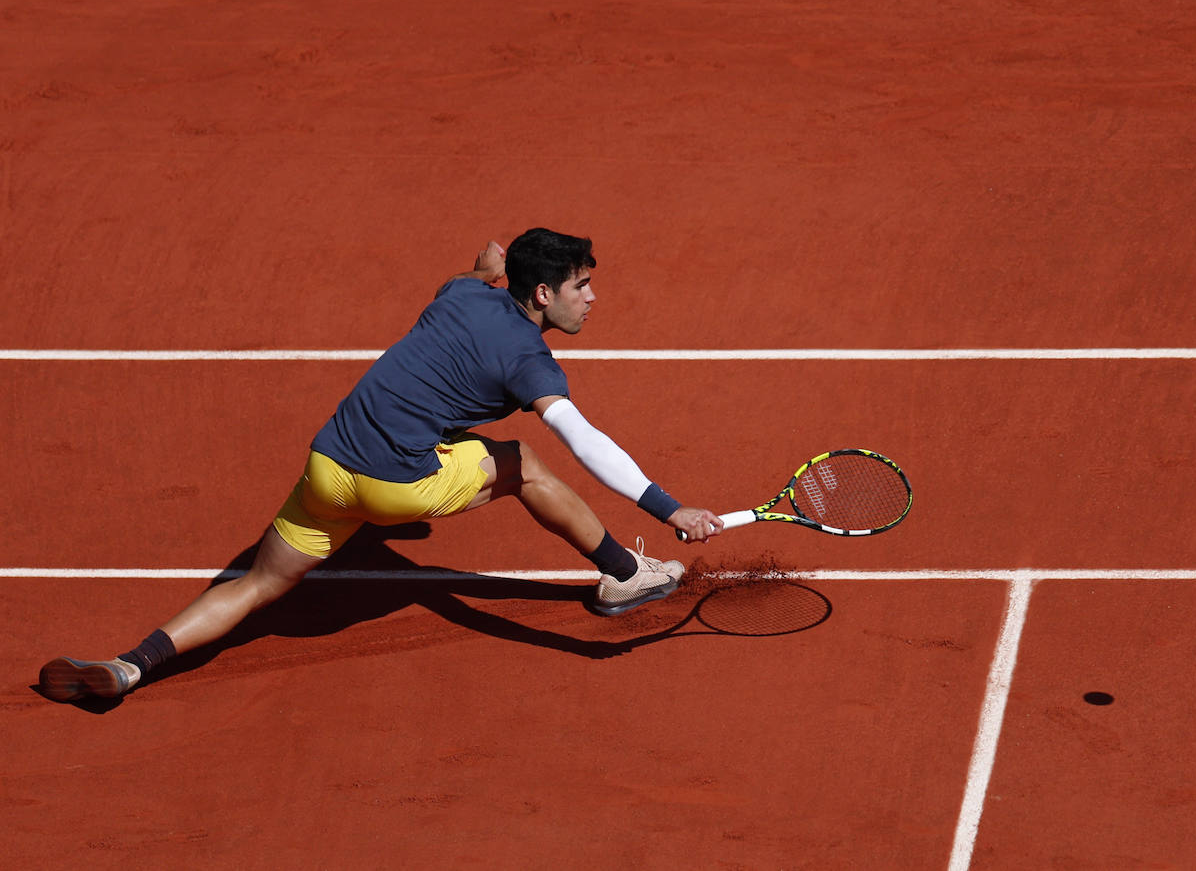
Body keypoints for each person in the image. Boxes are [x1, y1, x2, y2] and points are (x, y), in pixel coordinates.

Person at [38, 228, 723, 703]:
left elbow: (458, 278)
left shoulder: (460, 294)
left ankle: (131, 666)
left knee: (255, 584)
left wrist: (486, 270)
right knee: (523, 464)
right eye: (582, 286)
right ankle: (626, 576)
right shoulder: (528, 358)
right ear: (542, 294)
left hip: (329, 464)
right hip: (393, 487)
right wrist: (668, 508)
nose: (592, 297)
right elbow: (586, 439)